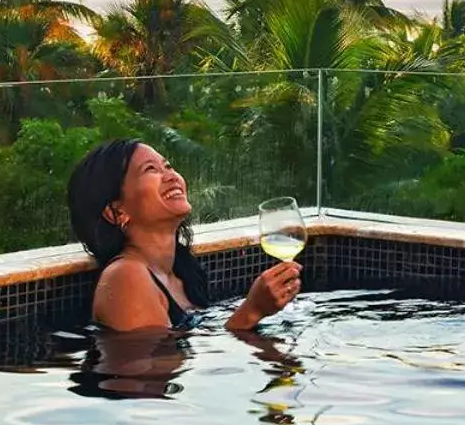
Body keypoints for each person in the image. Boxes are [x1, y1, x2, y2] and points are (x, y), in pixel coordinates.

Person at [66, 139, 300, 333]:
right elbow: (158, 375)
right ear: (116, 211)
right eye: (150, 170)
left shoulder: (180, 272)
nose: (171, 176)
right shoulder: (125, 277)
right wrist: (253, 310)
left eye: (168, 166)